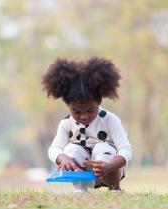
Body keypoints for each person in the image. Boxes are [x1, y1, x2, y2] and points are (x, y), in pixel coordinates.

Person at [42, 57, 132, 192]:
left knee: (101, 148)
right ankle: (80, 189)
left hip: (108, 169)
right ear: (68, 105)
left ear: (99, 101)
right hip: (82, 170)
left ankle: (115, 190)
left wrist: (109, 166)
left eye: (90, 110)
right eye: (76, 111)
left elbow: (126, 150)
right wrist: (62, 158)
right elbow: (54, 149)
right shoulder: (66, 124)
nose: (84, 116)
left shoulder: (109, 120)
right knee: (72, 150)